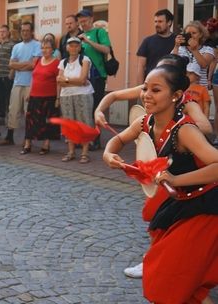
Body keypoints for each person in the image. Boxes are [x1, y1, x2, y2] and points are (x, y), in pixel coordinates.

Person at [103, 63, 218, 304]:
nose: (146, 94)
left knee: (168, 278)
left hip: (206, 209)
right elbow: (117, 141)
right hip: (182, 203)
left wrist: (176, 179)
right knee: (186, 287)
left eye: (156, 90)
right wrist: (108, 154)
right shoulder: (145, 122)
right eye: (145, 88)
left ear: (176, 96)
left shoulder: (185, 131)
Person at [0, 21, 41, 146]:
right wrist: (25, 64)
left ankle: (28, 139)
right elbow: (11, 64)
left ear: (32, 31)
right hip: (17, 83)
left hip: (30, 84)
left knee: (29, 112)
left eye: (27, 30)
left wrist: (18, 65)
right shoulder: (17, 47)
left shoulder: (37, 45)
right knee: (13, 111)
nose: (25, 33)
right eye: (23, 30)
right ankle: (9, 137)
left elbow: (34, 65)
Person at [77, 9, 112, 150]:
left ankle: (96, 140)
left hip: (98, 76)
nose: (82, 24)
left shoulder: (99, 32)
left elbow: (106, 50)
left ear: (91, 19)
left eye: (84, 21)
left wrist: (88, 41)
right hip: (84, 78)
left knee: (96, 108)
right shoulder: (80, 35)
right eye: (80, 22)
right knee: (84, 109)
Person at [57, 37, 94, 163]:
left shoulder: (85, 59)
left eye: (76, 46)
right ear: (67, 47)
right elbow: (59, 82)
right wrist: (74, 81)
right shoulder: (63, 62)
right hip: (66, 96)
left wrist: (66, 80)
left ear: (79, 47)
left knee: (84, 123)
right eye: (71, 45)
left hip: (83, 95)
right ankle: (71, 152)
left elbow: (83, 80)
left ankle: (85, 153)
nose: (73, 48)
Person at [21, 40, 60, 155]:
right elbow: (34, 77)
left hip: (49, 97)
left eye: (47, 47)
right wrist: (29, 92)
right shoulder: (38, 60)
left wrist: (58, 98)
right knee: (30, 121)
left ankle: (46, 145)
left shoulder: (57, 63)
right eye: (42, 48)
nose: (44, 50)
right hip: (34, 96)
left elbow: (59, 82)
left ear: (53, 49)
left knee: (46, 122)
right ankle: (28, 144)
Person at [136, 9, 176, 84]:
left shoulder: (177, 41)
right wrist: (140, 88)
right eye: (155, 21)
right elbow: (141, 66)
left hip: (172, 84)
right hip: (151, 84)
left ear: (169, 22)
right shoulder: (147, 41)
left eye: (160, 21)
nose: (157, 24)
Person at [0, 24, 16, 126]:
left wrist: (11, 73)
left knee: (9, 98)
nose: (2, 33)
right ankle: (1, 117)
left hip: (8, 75)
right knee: (0, 97)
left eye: (4, 31)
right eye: (0, 31)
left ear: (8, 33)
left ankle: (10, 118)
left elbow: (14, 59)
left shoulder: (12, 45)